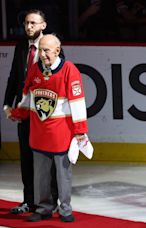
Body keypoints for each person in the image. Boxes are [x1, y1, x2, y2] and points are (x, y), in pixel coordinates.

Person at [10, 34, 89, 223]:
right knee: (40, 176)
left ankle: (65, 209)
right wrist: (19, 113)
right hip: (39, 134)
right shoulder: (35, 69)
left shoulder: (69, 70)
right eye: (40, 50)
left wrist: (80, 130)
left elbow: (77, 102)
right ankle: (44, 208)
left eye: (46, 50)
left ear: (57, 50)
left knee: (63, 175)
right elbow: (28, 95)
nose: (42, 54)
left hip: (61, 134)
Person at [3, 9, 58, 215]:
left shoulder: (53, 46)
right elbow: (13, 77)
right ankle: (29, 200)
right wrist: (8, 104)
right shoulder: (20, 47)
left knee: (47, 159)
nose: (29, 27)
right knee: (26, 157)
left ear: (43, 25)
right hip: (24, 111)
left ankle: (51, 202)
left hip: (46, 112)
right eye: (27, 23)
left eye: (33, 23)